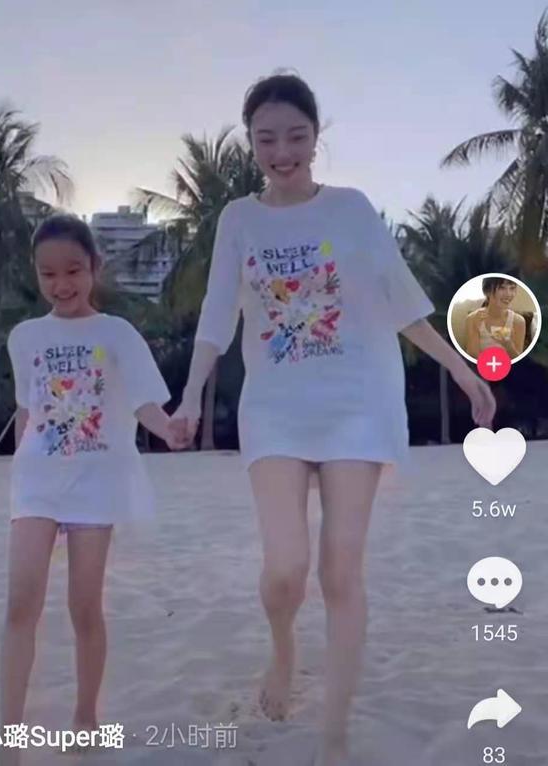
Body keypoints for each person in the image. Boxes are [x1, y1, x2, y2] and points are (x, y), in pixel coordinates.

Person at [170, 73, 496, 766]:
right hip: (276, 409)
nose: (282, 152)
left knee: (341, 571)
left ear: (317, 138)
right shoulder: (238, 219)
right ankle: (283, 650)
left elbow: (402, 299)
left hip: (356, 403)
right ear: (251, 143)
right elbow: (217, 315)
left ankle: (335, 738)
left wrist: (462, 369)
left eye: (296, 136)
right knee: (286, 569)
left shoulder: (351, 209)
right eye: (266, 140)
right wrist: (191, 392)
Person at [0, 214, 183, 763]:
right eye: (48, 274)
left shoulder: (116, 333)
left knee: (84, 605)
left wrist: (169, 429)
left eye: (73, 270)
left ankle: (86, 716)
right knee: (21, 602)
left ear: (94, 268)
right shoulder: (24, 338)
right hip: (37, 481)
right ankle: (9, 738)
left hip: (95, 483)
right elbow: (28, 411)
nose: (62, 284)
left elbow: (144, 403)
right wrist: (20, 467)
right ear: (36, 275)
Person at [465, 277, 526, 359]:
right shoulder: (472, 318)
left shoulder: (518, 321)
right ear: (487, 291)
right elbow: (472, 357)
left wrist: (509, 346)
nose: (508, 294)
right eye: (501, 288)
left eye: (512, 288)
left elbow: (519, 361)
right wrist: (475, 328)